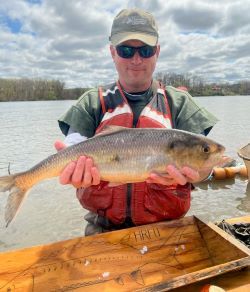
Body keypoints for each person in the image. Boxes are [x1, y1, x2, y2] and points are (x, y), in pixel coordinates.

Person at [56, 8, 218, 235]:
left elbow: (205, 164)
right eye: (125, 50)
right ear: (112, 52)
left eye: (145, 49)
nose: (136, 59)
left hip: (169, 229)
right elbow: (71, 148)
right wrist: (72, 172)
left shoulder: (180, 103)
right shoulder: (91, 103)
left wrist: (200, 174)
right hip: (102, 229)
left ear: (157, 52)